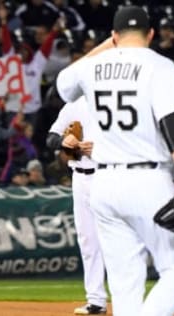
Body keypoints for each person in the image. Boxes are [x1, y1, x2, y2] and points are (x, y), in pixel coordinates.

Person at [56, 6, 174, 316]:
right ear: (151, 34)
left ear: (114, 35)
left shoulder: (91, 66)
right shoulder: (159, 66)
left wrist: (107, 47)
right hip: (147, 179)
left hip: (104, 185)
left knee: (124, 282)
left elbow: (64, 83)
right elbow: (172, 125)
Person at [46, 97, 107, 315]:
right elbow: (50, 138)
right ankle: (96, 300)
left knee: (117, 238)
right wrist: (64, 141)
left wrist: (100, 149)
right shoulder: (74, 105)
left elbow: (131, 142)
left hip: (107, 175)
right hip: (79, 178)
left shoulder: (111, 103)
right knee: (87, 238)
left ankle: (129, 298)